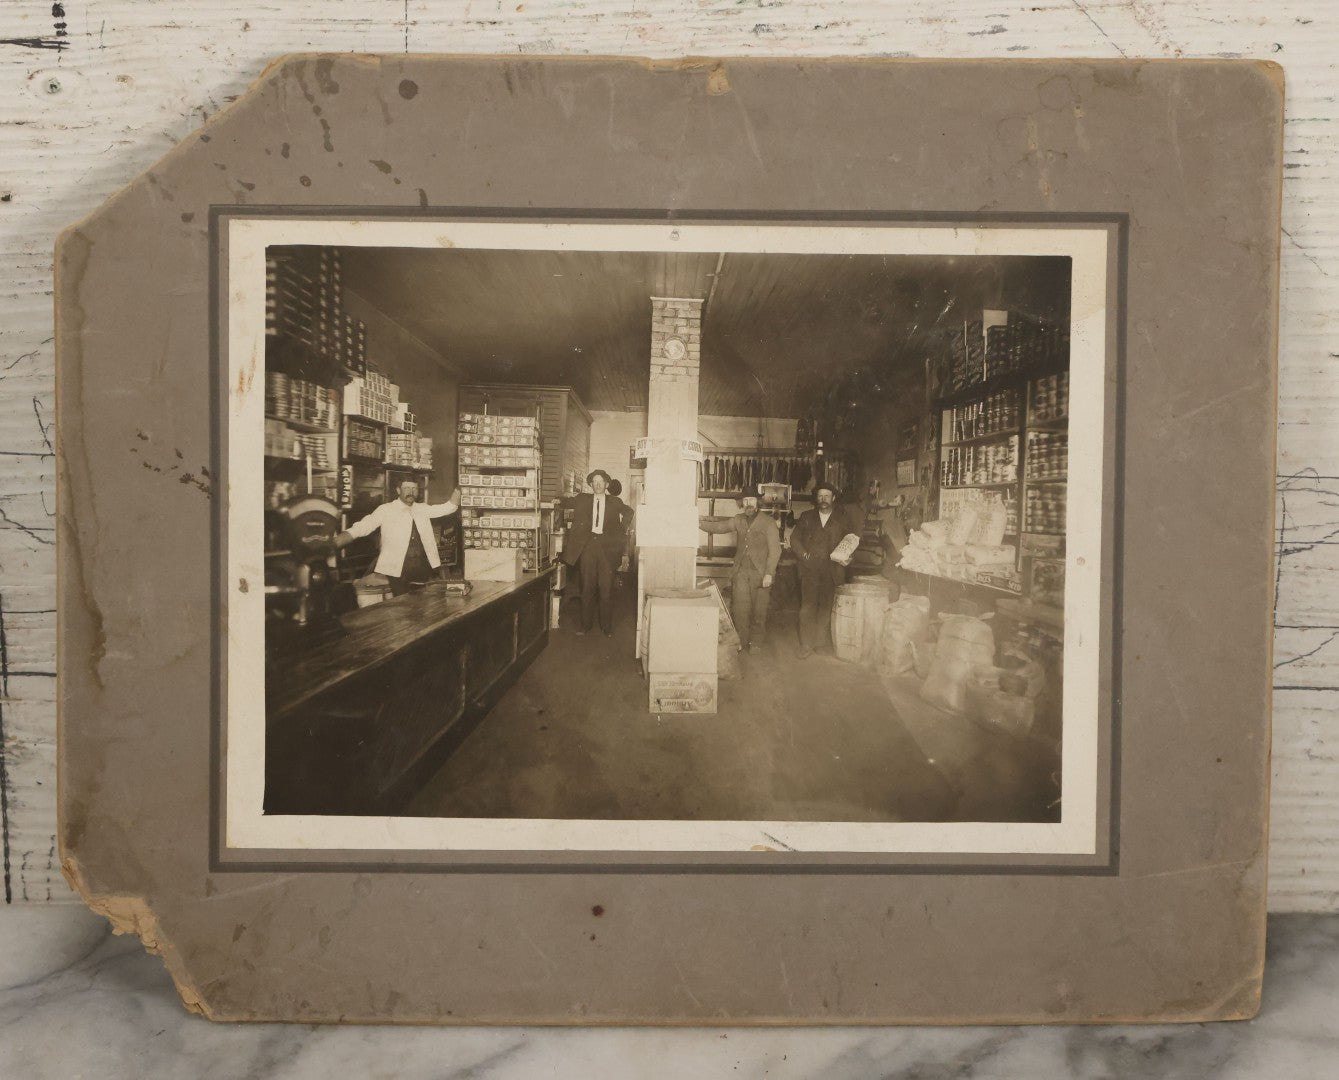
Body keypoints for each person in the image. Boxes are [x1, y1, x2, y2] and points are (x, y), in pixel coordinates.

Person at [334, 480, 461, 596]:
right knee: (401, 606)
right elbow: (363, 527)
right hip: (397, 568)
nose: (411, 492)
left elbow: (449, 507)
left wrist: (459, 487)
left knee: (421, 607)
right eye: (407, 488)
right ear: (398, 490)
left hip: (422, 566)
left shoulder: (422, 508)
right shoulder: (386, 509)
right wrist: (337, 542)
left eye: (414, 489)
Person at [699, 492, 781, 653]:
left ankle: (756, 643)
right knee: (740, 609)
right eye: (745, 500)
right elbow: (718, 527)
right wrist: (697, 523)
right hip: (741, 571)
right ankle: (741, 641)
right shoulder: (738, 519)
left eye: (751, 499)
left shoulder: (768, 522)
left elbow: (775, 550)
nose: (748, 502)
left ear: (757, 501)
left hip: (761, 573)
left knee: (759, 610)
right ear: (741, 502)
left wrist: (769, 573)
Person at [788, 481, 859, 658]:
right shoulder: (806, 517)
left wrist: (848, 558)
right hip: (810, 569)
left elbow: (850, 541)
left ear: (833, 498)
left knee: (827, 607)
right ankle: (806, 646)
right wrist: (804, 555)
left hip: (832, 570)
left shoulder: (842, 518)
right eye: (820, 496)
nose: (823, 499)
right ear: (816, 498)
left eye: (827, 496)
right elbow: (794, 539)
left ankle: (820, 643)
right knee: (807, 608)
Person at [561, 469, 630, 637]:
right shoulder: (582, 499)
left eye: (601, 482)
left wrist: (620, 530)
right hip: (588, 548)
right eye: (595, 482)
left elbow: (629, 512)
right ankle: (585, 626)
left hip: (607, 549)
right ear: (591, 484)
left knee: (606, 588)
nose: (598, 485)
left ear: (606, 484)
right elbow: (564, 502)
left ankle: (607, 627)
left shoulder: (615, 501)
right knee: (587, 587)